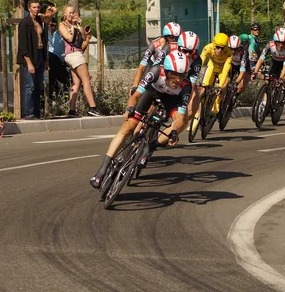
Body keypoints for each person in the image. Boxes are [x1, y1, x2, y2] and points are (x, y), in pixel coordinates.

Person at [89, 50, 192, 188]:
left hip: (171, 100)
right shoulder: (155, 71)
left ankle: (150, 147)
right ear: (166, 71)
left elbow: (180, 116)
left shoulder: (185, 87)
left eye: (182, 75)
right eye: (174, 74)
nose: (178, 80)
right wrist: (130, 108)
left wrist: (174, 131)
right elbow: (136, 96)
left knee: (181, 123)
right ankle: (101, 171)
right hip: (151, 93)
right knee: (128, 127)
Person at [58, 5, 101, 117]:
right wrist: (72, 25)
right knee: (86, 79)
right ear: (64, 13)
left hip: (76, 53)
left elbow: (82, 37)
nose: (72, 15)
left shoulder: (75, 25)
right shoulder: (62, 25)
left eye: (73, 13)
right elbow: (69, 38)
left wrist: (80, 25)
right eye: (69, 13)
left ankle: (72, 110)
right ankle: (93, 107)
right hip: (73, 54)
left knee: (76, 82)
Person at [130, 22, 182, 94]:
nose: (174, 41)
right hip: (153, 65)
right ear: (165, 37)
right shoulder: (154, 44)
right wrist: (134, 86)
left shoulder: (179, 46)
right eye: (171, 38)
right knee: (145, 84)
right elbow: (142, 66)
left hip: (169, 68)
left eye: (177, 38)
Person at [17, 0, 48, 119]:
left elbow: (52, 12)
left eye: (38, 7)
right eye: (34, 7)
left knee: (38, 85)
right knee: (29, 86)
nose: (36, 9)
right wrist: (29, 63)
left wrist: (45, 60)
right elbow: (23, 46)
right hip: (30, 58)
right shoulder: (25, 23)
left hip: (40, 55)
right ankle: (28, 113)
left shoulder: (40, 21)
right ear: (29, 8)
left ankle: (36, 112)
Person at [193, 32, 233, 125]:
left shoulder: (228, 53)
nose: (219, 50)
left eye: (222, 48)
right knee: (203, 87)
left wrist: (220, 86)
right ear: (214, 45)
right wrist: (195, 73)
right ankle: (198, 113)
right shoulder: (208, 47)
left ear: (225, 48)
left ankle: (217, 104)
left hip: (222, 70)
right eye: (217, 47)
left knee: (222, 86)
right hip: (211, 67)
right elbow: (201, 61)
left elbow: (225, 71)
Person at [252, 28, 285, 92]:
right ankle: (265, 101)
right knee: (267, 80)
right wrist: (255, 72)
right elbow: (261, 59)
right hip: (276, 60)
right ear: (274, 41)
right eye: (278, 42)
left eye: (283, 43)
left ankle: (284, 91)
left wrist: (281, 78)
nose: (281, 45)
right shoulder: (270, 45)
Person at [47, 17, 70, 99]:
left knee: (66, 80)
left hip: (60, 60)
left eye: (54, 25)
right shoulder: (47, 34)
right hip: (51, 58)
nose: (52, 27)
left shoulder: (60, 34)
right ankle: (51, 98)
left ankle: (64, 97)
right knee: (51, 79)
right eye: (50, 25)